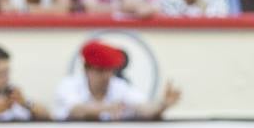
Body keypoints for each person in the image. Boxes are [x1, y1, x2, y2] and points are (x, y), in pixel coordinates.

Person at [53, 39, 182, 121]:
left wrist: (163, 105)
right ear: (87, 69)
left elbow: (144, 108)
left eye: (110, 70)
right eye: (100, 71)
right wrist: (107, 108)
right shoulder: (69, 85)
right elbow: (76, 110)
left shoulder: (119, 86)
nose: (106, 76)